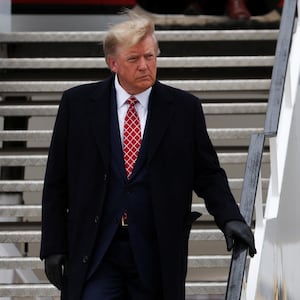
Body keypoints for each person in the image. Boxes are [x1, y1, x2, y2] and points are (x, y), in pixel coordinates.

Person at [40, 12, 256, 300]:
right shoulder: (77, 104)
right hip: (95, 251)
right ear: (112, 63)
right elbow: (57, 181)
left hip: (157, 251)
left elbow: (207, 174)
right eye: (134, 59)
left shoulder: (183, 109)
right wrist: (53, 246)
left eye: (150, 56)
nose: (145, 66)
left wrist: (230, 218)